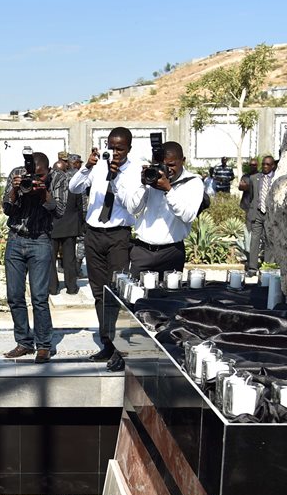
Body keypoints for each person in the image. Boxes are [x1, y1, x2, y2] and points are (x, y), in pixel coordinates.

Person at [69, 128, 136, 366]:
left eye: (120, 148)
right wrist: (87, 166)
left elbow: (133, 204)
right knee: (98, 292)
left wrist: (116, 178)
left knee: (117, 292)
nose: (115, 152)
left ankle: (120, 346)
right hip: (94, 234)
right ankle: (106, 342)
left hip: (119, 235)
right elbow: (74, 188)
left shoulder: (135, 171)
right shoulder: (97, 166)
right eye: (111, 147)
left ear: (129, 148)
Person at [2, 152, 56, 364]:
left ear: (47, 171)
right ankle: (24, 342)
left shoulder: (55, 179)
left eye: (40, 176)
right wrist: (16, 189)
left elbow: (57, 210)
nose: (35, 179)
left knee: (39, 297)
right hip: (15, 239)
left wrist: (43, 192)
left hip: (41, 240)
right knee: (14, 295)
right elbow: (7, 208)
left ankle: (43, 345)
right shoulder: (16, 174)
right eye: (33, 176)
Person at [124, 141, 203, 274]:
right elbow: (133, 209)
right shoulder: (153, 177)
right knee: (136, 293)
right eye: (163, 165)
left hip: (171, 253)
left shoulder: (193, 183)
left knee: (168, 294)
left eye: (171, 165)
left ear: (183, 160)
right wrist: (143, 184)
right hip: (142, 251)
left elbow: (188, 216)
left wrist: (168, 190)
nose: (167, 170)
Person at [49, 157, 82, 296]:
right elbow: (80, 206)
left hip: (52, 226)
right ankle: (72, 287)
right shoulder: (73, 185)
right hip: (70, 227)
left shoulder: (50, 184)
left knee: (50, 259)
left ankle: (52, 288)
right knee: (70, 259)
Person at [241, 155, 276, 275]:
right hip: (257, 214)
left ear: (273, 166)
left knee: (269, 240)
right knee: (254, 240)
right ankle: (252, 268)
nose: (265, 166)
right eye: (264, 164)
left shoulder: (277, 178)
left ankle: (267, 267)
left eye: (268, 164)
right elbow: (251, 197)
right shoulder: (255, 178)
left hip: (270, 214)